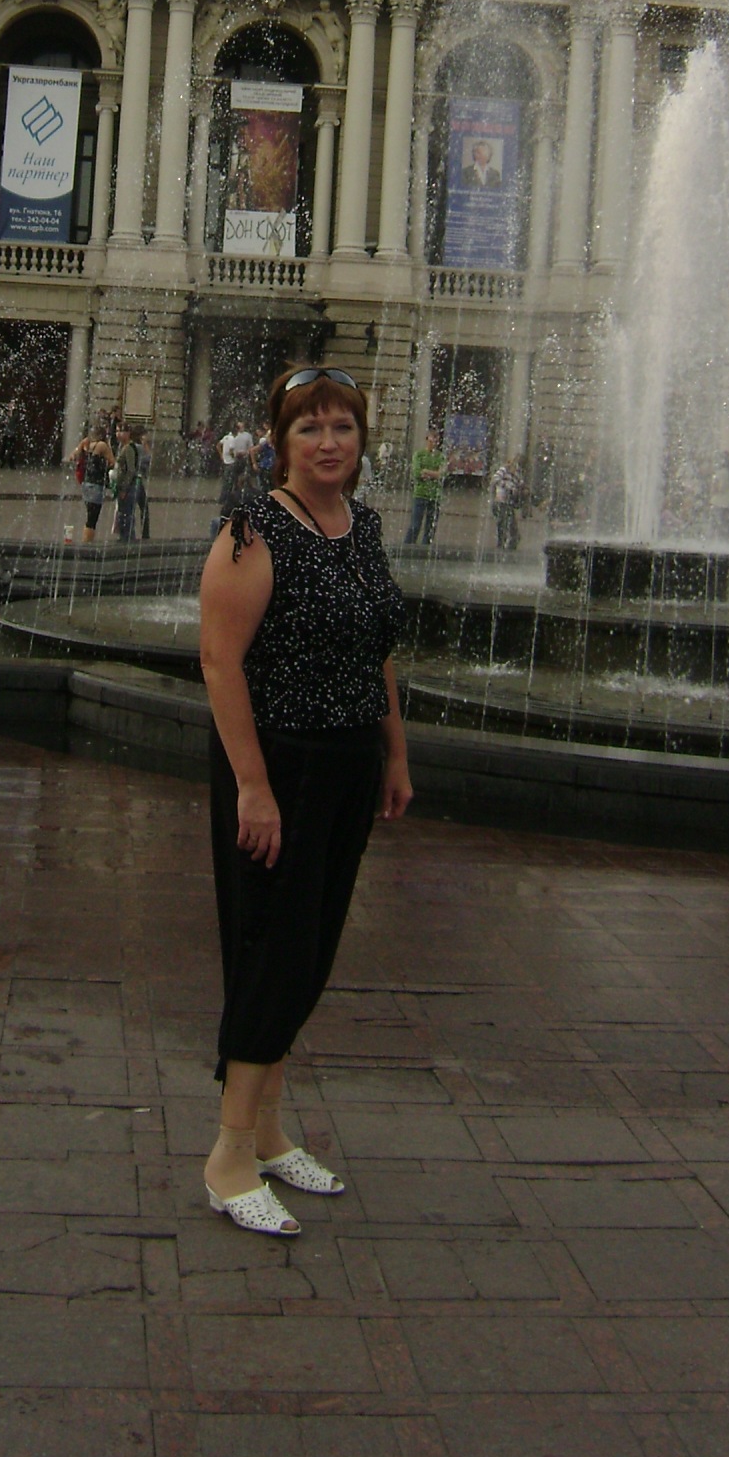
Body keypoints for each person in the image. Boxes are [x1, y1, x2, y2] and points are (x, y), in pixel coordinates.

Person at [197, 365, 412, 1238]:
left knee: (311, 951)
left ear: (361, 441)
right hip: (278, 766)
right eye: (310, 428)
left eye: (343, 428)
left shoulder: (363, 526)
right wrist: (252, 786)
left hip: (350, 762)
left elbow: (377, 649)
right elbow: (219, 662)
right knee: (271, 952)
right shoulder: (254, 530)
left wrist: (396, 753)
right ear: (280, 444)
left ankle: (270, 1133)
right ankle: (228, 1157)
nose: (329, 443)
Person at [406, 429, 445, 545]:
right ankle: (408, 546)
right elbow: (417, 473)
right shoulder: (419, 454)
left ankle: (426, 548)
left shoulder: (440, 456)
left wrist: (427, 472)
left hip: (435, 495)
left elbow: (442, 474)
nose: (434, 443)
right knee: (415, 525)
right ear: (427, 440)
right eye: (432, 440)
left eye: (436, 441)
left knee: (430, 527)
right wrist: (434, 474)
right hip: (420, 494)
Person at [74, 427, 114, 541]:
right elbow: (113, 462)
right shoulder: (102, 445)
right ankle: (87, 541)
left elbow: (74, 456)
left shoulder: (86, 444)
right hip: (97, 484)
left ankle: (86, 539)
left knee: (90, 514)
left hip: (86, 483)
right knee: (92, 518)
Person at [490, 457, 525, 554]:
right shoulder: (503, 470)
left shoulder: (516, 475)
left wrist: (518, 490)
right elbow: (494, 479)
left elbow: (520, 484)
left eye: (515, 465)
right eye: (512, 464)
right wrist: (507, 486)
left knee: (511, 525)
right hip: (500, 502)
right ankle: (501, 543)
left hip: (508, 504)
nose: (514, 467)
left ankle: (511, 543)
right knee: (502, 522)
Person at [114, 427, 142, 541]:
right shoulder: (123, 446)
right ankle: (124, 537)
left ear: (128, 433)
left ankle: (128, 539)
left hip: (128, 487)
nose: (118, 434)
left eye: (120, 431)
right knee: (123, 513)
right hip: (124, 485)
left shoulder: (129, 448)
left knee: (127, 514)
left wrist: (124, 488)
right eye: (117, 431)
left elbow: (131, 470)